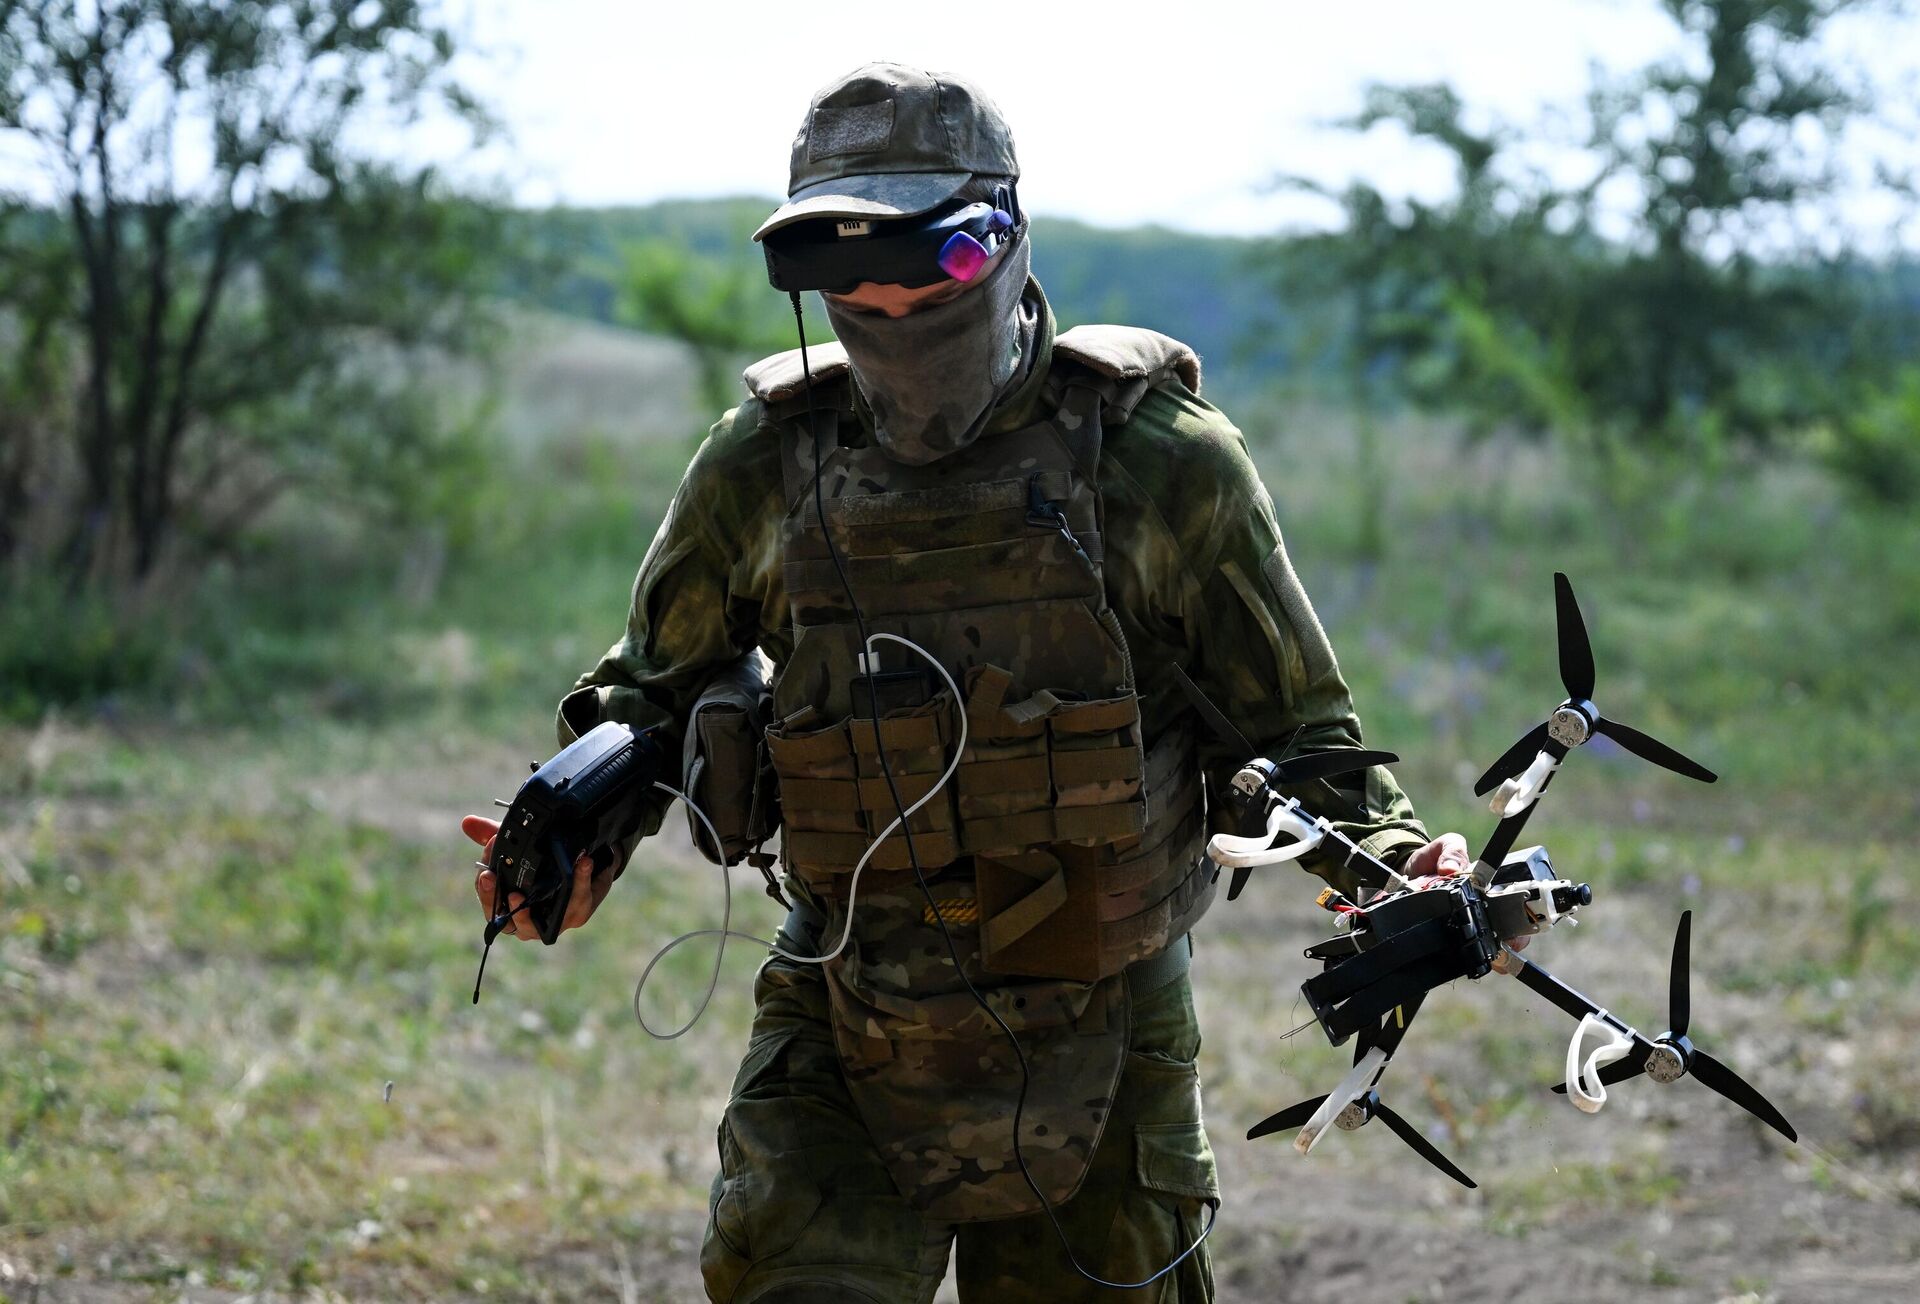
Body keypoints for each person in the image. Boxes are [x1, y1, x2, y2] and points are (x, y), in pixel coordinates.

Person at [462, 63, 1483, 1304]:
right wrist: (580, 829)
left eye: (926, 262)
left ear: (1000, 238)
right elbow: (653, 688)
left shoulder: (1159, 464)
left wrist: (1400, 870)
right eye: (847, 271)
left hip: (1099, 1025)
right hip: (848, 993)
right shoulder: (767, 464)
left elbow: (1303, 738)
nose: (887, 300)